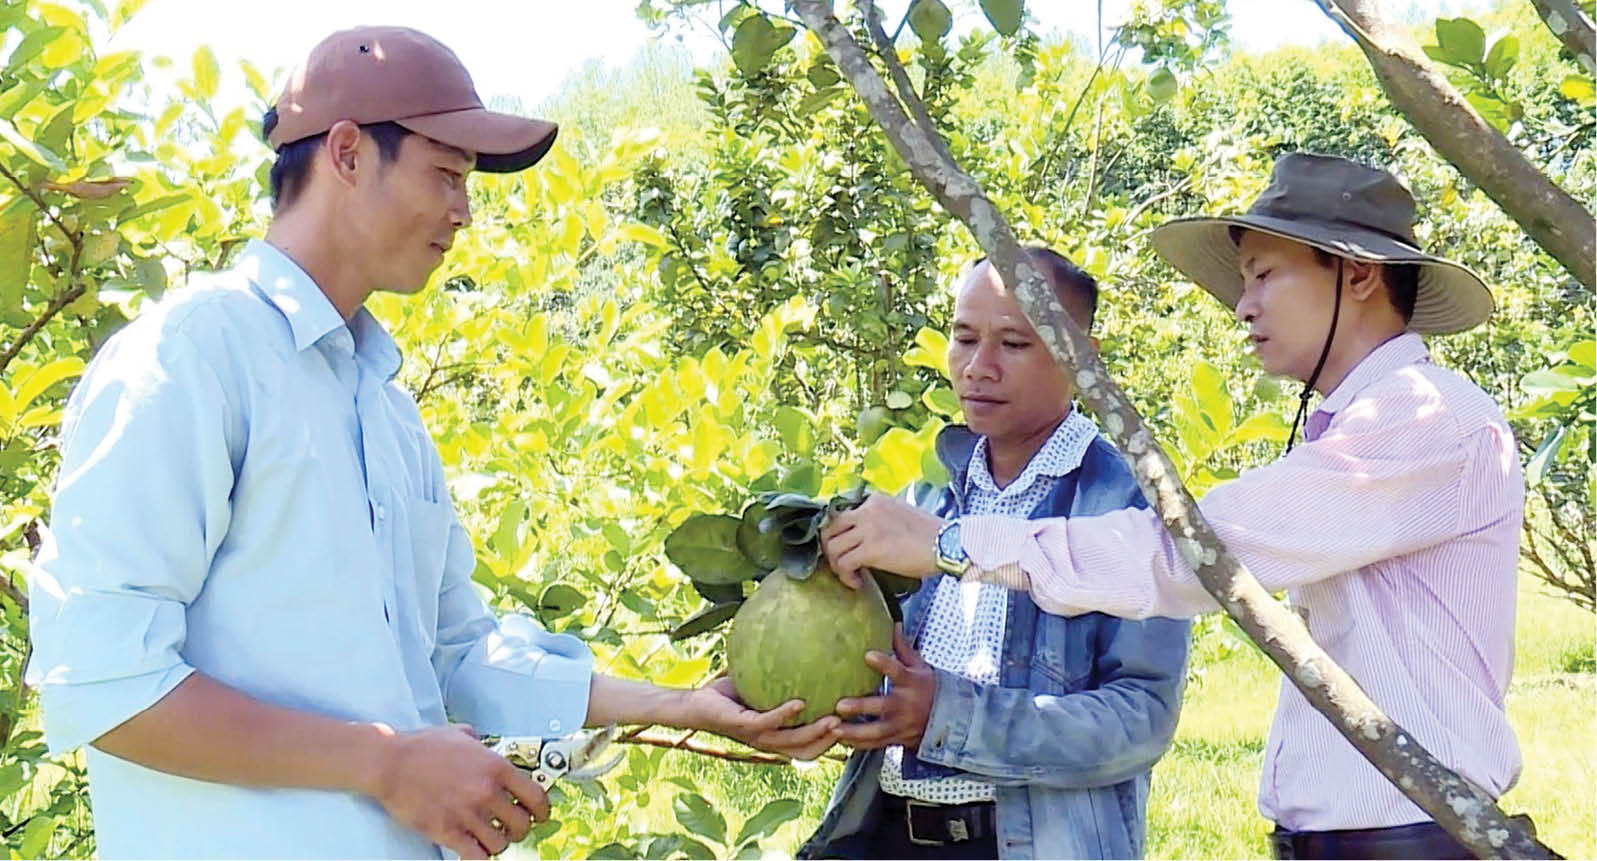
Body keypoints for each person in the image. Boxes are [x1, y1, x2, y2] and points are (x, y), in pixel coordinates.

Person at [25, 26, 829, 860]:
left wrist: (680, 702)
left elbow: (454, 650)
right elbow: (107, 688)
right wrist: (386, 762)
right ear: (345, 153)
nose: (463, 211)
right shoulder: (191, 357)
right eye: (445, 173)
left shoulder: (383, 407)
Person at [818, 153, 1524, 859]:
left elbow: (1192, 558)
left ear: (1358, 274)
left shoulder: (1425, 420)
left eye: (1264, 275)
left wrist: (954, 545)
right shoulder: (1359, 429)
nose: (1242, 305)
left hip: (1407, 837)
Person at [799, 249, 1190, 859]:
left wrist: (950, 717)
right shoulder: (925, 497)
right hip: (884, 833)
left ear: (1080, 359)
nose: (979, 367)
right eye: (963, 337)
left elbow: (1140, 718)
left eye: (1013, 343)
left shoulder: (1123, 508)